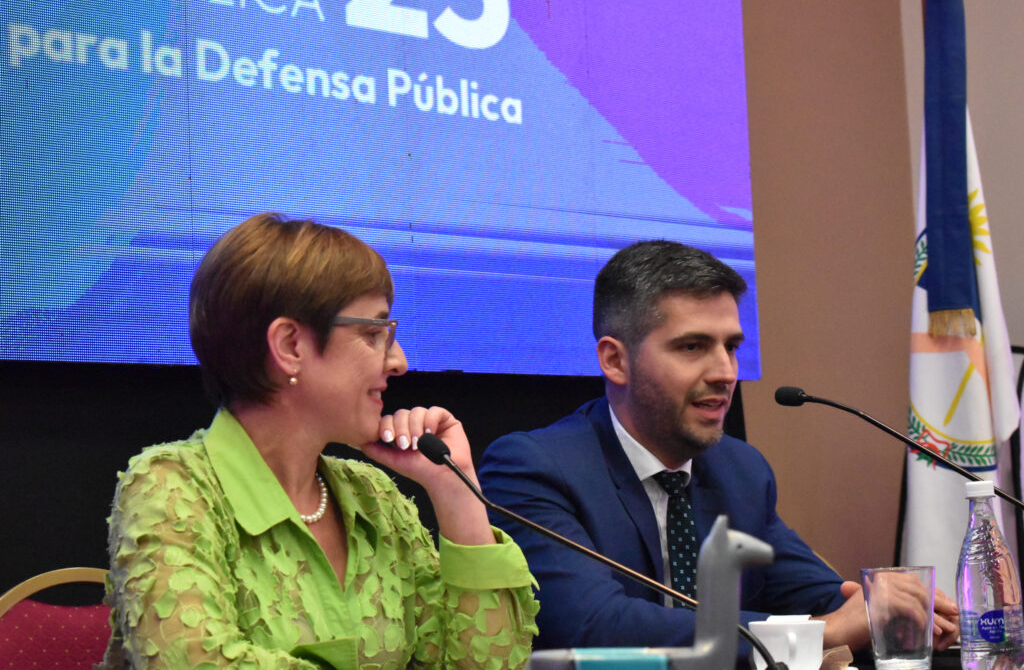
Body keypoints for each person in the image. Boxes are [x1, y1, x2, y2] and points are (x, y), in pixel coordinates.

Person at [477, 240, 957, 661]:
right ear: (615, 360)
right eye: (693, 347)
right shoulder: (534, 469)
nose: (725, 372)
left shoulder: (740, 470)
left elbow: (819, 595)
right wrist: (823, 631)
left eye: (731, 347)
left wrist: (892, 610)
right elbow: (596, 625)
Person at [102, 213, 539, 668]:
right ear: (290, 346)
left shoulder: (373, 496)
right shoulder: (169, 488)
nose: (399, 362)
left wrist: (457, 491)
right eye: (374, 333)